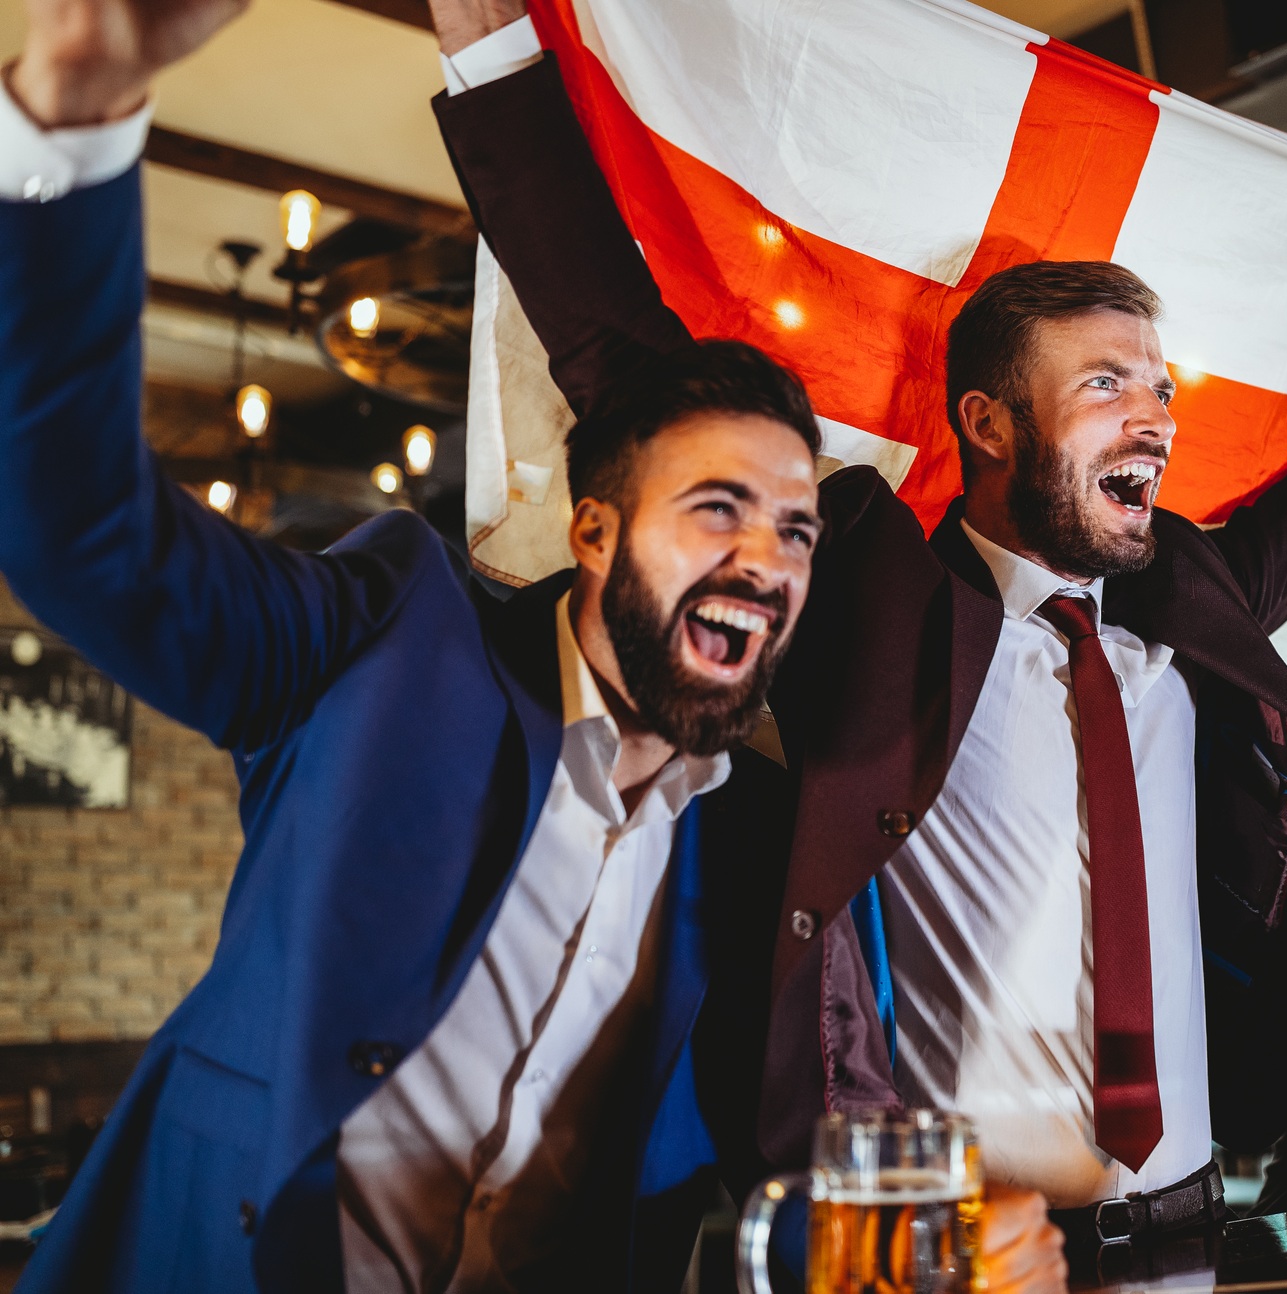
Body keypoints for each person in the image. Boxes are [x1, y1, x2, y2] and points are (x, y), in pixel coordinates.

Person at [423, 0, 1287, 1253]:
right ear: (990, 425)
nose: (1154, 417)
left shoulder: (1189, 604)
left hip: (1192, 1234)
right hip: (947, 1254)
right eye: (1105, 384)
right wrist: (494, 55)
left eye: (1158, 388)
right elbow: (621, 357)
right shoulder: (864, 595)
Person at [0, 0, 1069, 1286]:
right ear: (598, 533)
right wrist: (71, 108)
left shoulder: (750, 849)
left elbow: (752, 1189)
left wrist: (925, 1255)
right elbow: (82, 533)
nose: (766, 558)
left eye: (793, 529)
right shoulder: (387, 642)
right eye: (715, 509)